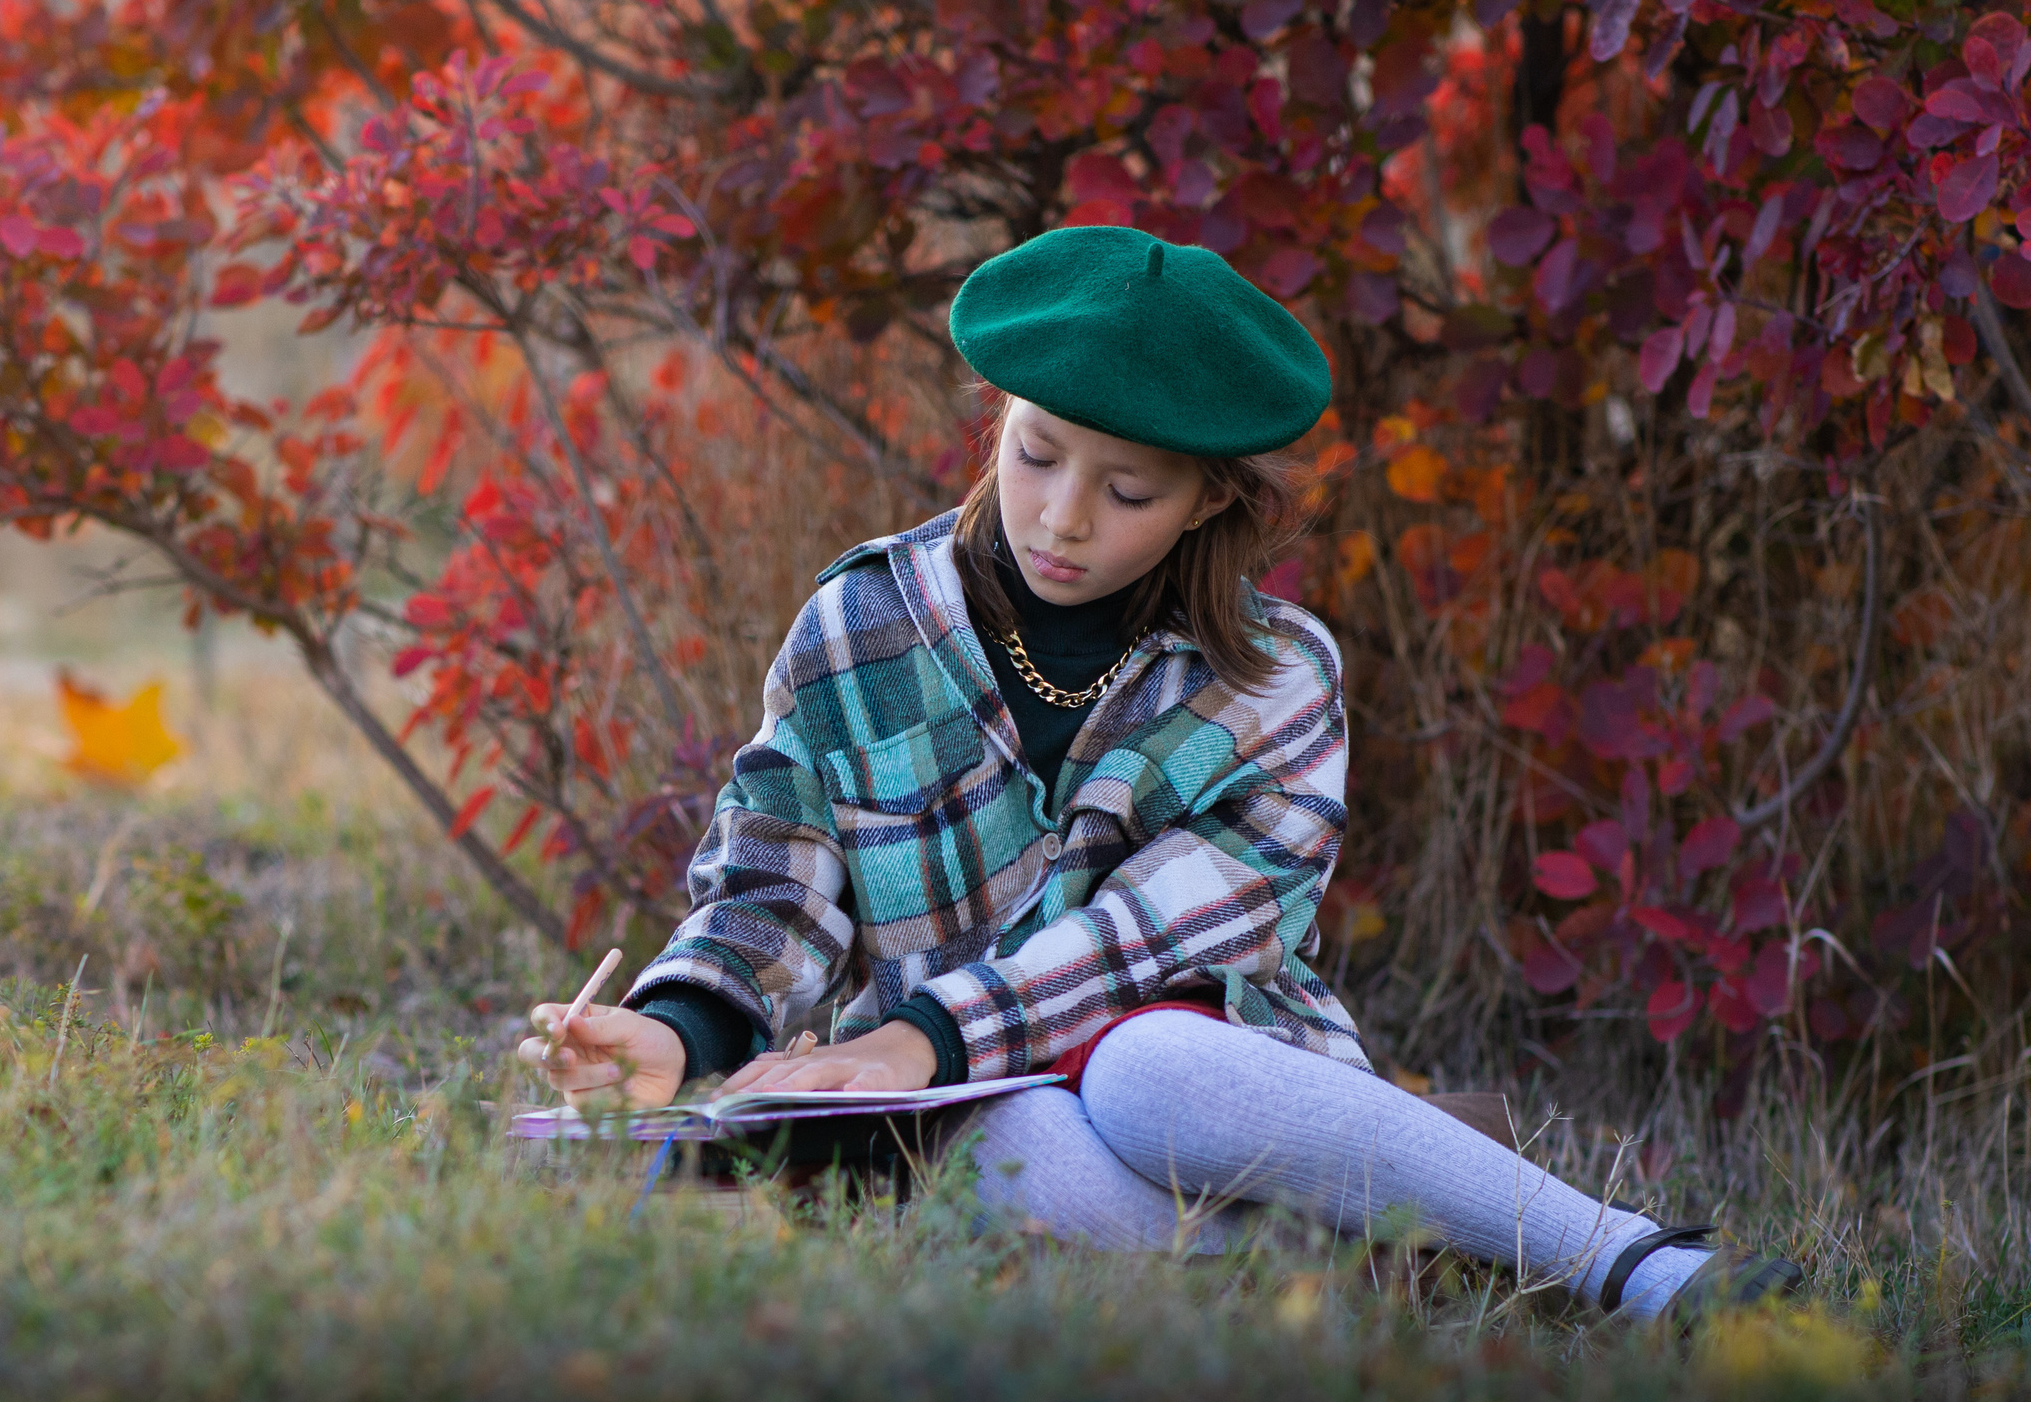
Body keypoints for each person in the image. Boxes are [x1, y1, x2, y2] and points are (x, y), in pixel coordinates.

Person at [519, 225, 1800, 1323]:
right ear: (997, 427)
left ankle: (1630, 1263)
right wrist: (682, 1027)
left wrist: (925, 1030)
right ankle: (1385, 1244)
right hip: (962, 1097)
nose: (1064, 516)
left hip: (1206, 1077)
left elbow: (1149, 942)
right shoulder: (860, 625)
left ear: (1202, 501)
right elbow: (774, 880)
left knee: (1138, 1070)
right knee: (997, 1145)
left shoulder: (1275, 678)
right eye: (1034, 454)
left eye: (1125, 487)